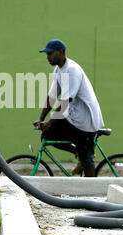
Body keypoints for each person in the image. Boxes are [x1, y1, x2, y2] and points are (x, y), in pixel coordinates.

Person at [33, 39, 104, 177]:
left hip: (86, 120)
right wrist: (41, 118)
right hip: (74, 117)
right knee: (48, 134)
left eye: (50, 54)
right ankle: (78, 152)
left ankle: (92, 190)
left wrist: (49, 122)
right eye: (46, 54)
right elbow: (52, 98)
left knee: (87, 159)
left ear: (61, 52)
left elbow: (65, 101)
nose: (47, 57)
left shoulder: (72, 70)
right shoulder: (58, 70)